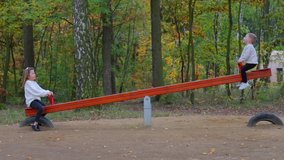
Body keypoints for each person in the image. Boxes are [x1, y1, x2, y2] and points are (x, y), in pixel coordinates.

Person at [22, 67, 53, 131]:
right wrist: (47, 93)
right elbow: (36, 92)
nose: (34, 74)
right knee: (41, 108)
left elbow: (40, 90)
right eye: (32, 73)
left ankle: (37, 120)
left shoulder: (34, 83)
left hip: (36, 100)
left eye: (34, 73)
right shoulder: (28, 83)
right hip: (31, 101)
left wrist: (48, 91)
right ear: (28, 76)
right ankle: (35, 124)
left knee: (46, 108)